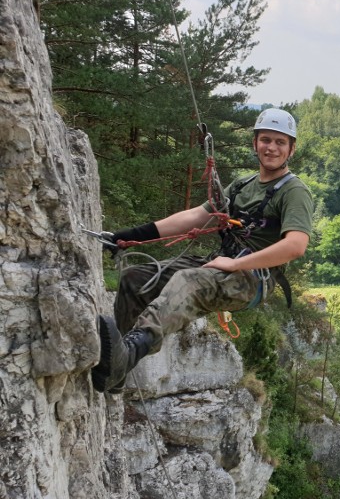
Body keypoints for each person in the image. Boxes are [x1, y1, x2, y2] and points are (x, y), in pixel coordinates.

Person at [91, 108, 313, 393]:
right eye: (266, 140)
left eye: (280, 142)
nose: (271, 148)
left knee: (187, 281)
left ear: (291, 149)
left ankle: (130, 352)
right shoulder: (243, 185)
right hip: (221, 264)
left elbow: (295, 245)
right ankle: (116, 369)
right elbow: (196, 217)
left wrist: (235, 266)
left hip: (252, 278)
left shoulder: (294, 191)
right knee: (135, 278)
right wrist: (130, 236)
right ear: (255, 143)